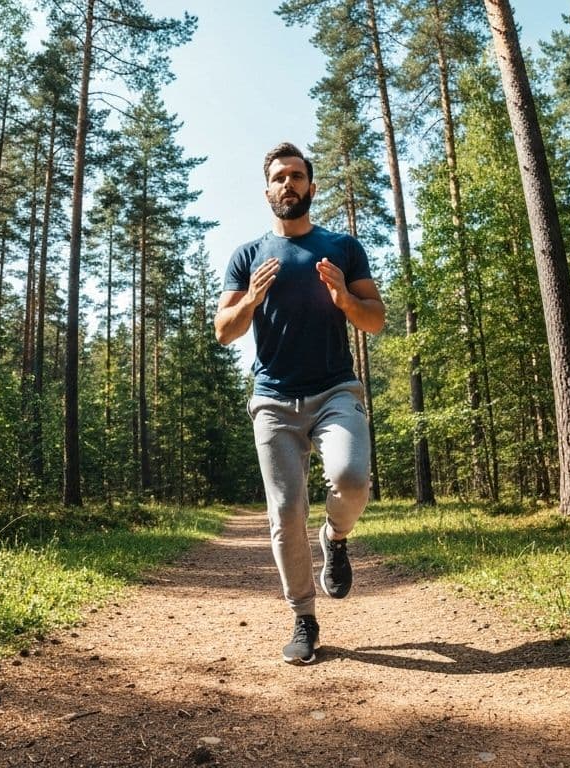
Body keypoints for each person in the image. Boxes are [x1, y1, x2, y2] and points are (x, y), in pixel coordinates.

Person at [214, 142, 385, 664]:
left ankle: (335, 536)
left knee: (353, 479)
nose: (288, 184)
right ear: (267, 190)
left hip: (335, 390)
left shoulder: (341, 248)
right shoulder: (247, 256)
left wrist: (344, 298)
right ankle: (304, 618)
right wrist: (250, 300)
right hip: (272, 400)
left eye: (296, 176)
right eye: (279, 177)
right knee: (286, 512)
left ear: (311, 186)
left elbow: (374, 319)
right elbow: (224, 332)